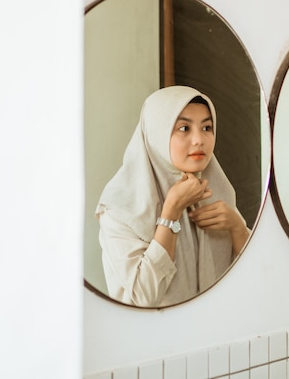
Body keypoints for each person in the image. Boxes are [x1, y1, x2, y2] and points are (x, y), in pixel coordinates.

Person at [96, 86, 250, 307]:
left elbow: (256, 280)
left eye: (207, 127)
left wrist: (238, 228)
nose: (199, 139)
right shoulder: (120, 209)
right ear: (158, 133)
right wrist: (172, 211)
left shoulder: (218, 190)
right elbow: (143, 299)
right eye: (184, 128)